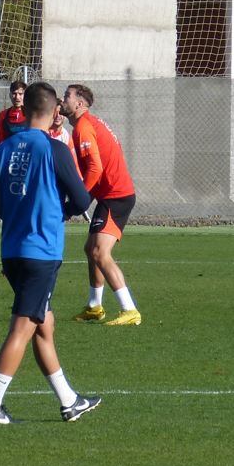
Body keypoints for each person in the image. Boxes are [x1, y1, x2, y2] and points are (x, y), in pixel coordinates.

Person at [0, 81, 99, 425]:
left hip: (12, 250)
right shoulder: (53, 149)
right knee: (23, 326)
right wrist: (56, 211)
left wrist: (20, 211)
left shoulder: (2, 149)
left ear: (25, 109)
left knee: (44, 323)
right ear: (55, 111)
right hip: (41, 251)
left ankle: (69, 401)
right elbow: (80, 198)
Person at [61, 84, 141, 326]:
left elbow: (96, 167)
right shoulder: (89, 124)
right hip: (111, 194)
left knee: (99, 252)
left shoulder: (84, 128)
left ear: (79, 104)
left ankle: (130, 310)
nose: (63, 99)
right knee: (91, 249)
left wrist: (81, 197)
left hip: (116, 196)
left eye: (67, 96)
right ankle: (95, 306)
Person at [0, 80, 27, 145]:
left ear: (25, 96)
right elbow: (0, 140)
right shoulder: (3, 115)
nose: (17, 97)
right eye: (14, 93)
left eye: (20, 94)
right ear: (10, 95)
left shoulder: (32, 114)